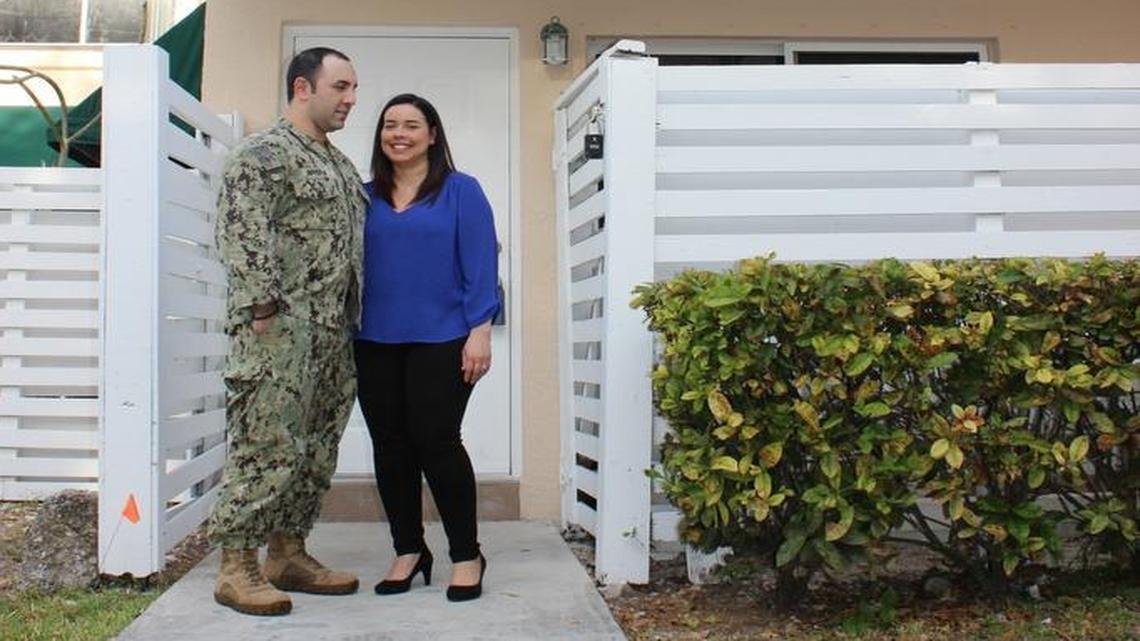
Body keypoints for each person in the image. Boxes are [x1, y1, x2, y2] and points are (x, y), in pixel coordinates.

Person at [207, 46, 366, 616]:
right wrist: (263, 311)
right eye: (340, 88)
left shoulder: (339, 165)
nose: (351, 99)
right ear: (303, 88)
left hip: (331, 333)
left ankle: (288, 552)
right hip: (278, 328)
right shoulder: (265, 154)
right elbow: (240, 230)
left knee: (315, 450)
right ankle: (236, 566)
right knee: (266, 445)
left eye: (353, 89)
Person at [355, 93, 499, 602]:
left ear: (432, 135)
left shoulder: (462, 191)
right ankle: (409, 550)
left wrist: (481, 329)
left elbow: (481, 264)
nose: (399, 133)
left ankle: (466, 554)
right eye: (390, 124)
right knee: (390, 447)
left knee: (436, 442)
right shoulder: (363, 195)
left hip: (444, 338)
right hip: (372, 339)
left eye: (412, 125)